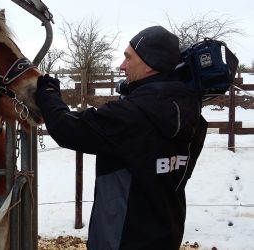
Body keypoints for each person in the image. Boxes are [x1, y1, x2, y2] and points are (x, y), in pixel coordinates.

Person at [36, 26, 208, 250]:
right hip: (167, 236)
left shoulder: (131, 115)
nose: (122, 65)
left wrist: (48, 93)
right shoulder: (193, 115)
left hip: (120, 241)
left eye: (128, 57)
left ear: (150, 65)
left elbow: (67, 129)